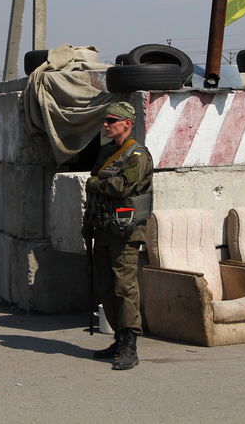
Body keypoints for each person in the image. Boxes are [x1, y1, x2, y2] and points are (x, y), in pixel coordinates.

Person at [82, 101, 153, 371]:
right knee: (106, 286)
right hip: (104, 229)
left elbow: (122, 187)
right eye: (106, 120)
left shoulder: (137, 156)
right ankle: (118, 338)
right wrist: (88, 223)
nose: (106, 125)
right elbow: (94, 194)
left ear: (127, 123)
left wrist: (96, 183)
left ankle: (130, 345)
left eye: (112, 120)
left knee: (125, 287)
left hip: (126, 233)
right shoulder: (104, 153)